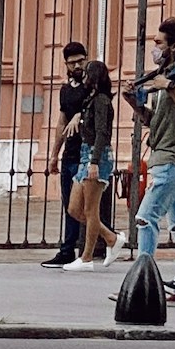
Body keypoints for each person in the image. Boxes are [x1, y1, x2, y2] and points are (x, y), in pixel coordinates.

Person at [127, 16, 175, 303]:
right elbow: (159, 121)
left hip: (174, 157)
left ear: (173, 46)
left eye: (159, 42)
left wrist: (170, 87)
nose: (154, 47)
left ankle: (141, 286)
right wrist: (135, 105)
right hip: (169, 153)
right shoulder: (166, 75)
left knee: (145, 218)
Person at [63, 59, 118, 265]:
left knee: (90, 210)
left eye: (87, 72)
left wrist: (94, 161)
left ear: (94, 76)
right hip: (86, 153)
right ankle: (111, 238)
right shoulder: (91, 99)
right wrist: (78, 116)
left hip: (97, 154)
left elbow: (103, 132)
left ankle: (86, 257)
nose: (83, 75)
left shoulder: (102, 100)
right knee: (74, 208)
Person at [42, 41, 91, 265]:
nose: (78, 66)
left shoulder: (93, 85)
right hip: (70, 153)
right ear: (66, 65)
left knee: (84, 205)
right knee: (69, 206)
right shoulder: (65, 89)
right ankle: (68, 250)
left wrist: (80, 116)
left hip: (87, 152)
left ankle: (98, 244)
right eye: (73, 63)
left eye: (82, 61)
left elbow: (99, 109)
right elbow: (61, 121)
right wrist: (54, 154)